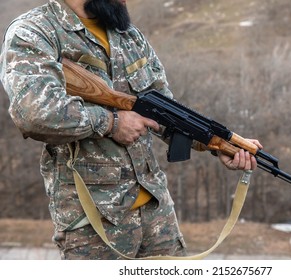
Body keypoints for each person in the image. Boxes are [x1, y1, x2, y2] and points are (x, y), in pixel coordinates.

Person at [0, 0, 262, 260]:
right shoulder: (34, 31)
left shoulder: (127, 35)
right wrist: (112, 123)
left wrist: (215, 144)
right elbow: (34, 113)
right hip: (94, 225)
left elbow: (166, 112)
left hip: (157, 216)